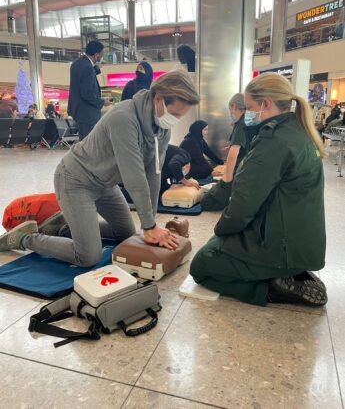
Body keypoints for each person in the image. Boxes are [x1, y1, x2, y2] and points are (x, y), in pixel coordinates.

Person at [0, 70, 200, 267]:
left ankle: (62, 229)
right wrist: (149, 226)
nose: (175, 120)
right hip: (75, 181)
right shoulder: (124, 117)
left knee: (127, 235)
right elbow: (134, 176)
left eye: (180, 117)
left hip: (106, 184)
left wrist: (152, 223)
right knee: (88, 256)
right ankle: (25, 238)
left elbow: (153, 173)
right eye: (174, 114)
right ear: (158, 98)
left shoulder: (161, 127)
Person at [190, 72, 327, 308]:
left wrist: (221, 230)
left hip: (279, 246)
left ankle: (270, 287)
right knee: (219, 244)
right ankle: (289, 274)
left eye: (250, 107)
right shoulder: (300, 131)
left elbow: (243, 204)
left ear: (265, 104)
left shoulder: (274, 141)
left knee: (201, 265)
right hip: (301, 243)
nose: (248, 114)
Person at [201, 93, 256, 211]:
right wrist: (231, 147)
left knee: (206, 202)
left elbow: (233, 154)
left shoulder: (241, 124)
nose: (231, 113)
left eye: (230, 110)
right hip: (247, 168)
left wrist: (227, 177)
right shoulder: (248, 121)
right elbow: (244, 145)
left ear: (234, 106)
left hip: (240, 170)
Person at [67, 40, 108, 140]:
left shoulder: (76, 63)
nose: (102, 57)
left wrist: (96, 69)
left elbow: (82, 78)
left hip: (79, 111)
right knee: (89, 144)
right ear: (96, 55)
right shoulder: (87, 67)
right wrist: (102, 101)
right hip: (88, 114)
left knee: (84, 142)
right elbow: (87, 93)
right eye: (101, 54)